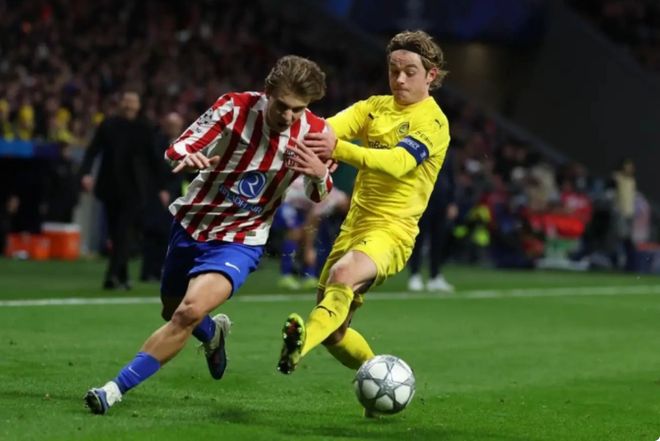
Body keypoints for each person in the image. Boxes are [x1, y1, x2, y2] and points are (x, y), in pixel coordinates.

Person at [84, 55, 333, 415]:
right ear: (268, 92)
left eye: (298, 109)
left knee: (187, 312)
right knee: (172, 308)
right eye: (282, 105)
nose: (289, 116)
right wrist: (186, 155)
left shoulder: (315, 133)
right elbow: (180, 146)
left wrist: (319, 173)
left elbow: (318, 194)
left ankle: (112, 390)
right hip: (193, 223)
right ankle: (213, 334)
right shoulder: (234, 108)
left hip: (241, 239)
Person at [276, 30, 450, 399]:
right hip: (353, 226)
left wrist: (338, 150)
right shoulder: (373, 107)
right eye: (393, 71)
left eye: (410, 72)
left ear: (430, 75)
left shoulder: (433, 122)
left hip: (392, 231)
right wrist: (306, 137)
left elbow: (398, 162)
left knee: (342, 276)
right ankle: (383, 380)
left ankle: (297, 350)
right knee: (335, 331)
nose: (399, 79)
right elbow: (326, 129)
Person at [80, 91, 165, 290]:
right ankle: (124, 277)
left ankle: (111, 276)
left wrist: (161, 186)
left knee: (123, 231)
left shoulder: (145, 127)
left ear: (138, 105)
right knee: (116, 233)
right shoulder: (108, 125)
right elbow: (93, 150)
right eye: (126, 101)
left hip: (135, 189)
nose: (129, 105)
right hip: (110, 187)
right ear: (120, 103)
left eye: (132, 102)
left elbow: (155, 159)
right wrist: (86, 173)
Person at [273, 176, 350, 290]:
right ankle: (286, 275)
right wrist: (308, 249)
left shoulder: (337, 196)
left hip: (297, 205)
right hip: (282, 199)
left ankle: (307, 275)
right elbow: (311, 222)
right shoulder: (331, 201)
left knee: (302, 235)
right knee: (295, 233)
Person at [140, 112, 186, 282]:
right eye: (170, 125)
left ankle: (160, 269)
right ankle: (148, 271)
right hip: (156, 193)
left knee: (168, 234)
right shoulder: (157, 143)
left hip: (175, 194)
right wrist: (162, 189)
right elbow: (154, 168)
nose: (173, 128)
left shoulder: (184, 144)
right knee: (154, 232)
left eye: (176, 125)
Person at [407, 148, 458, 292]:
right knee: (419, 238)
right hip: (421, 200)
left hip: (441, 201)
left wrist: (452, 202)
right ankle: (415, 274)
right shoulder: (419, 147)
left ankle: (435, 276)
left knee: (438, 240)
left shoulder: (446, 149)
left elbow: (450, 176)